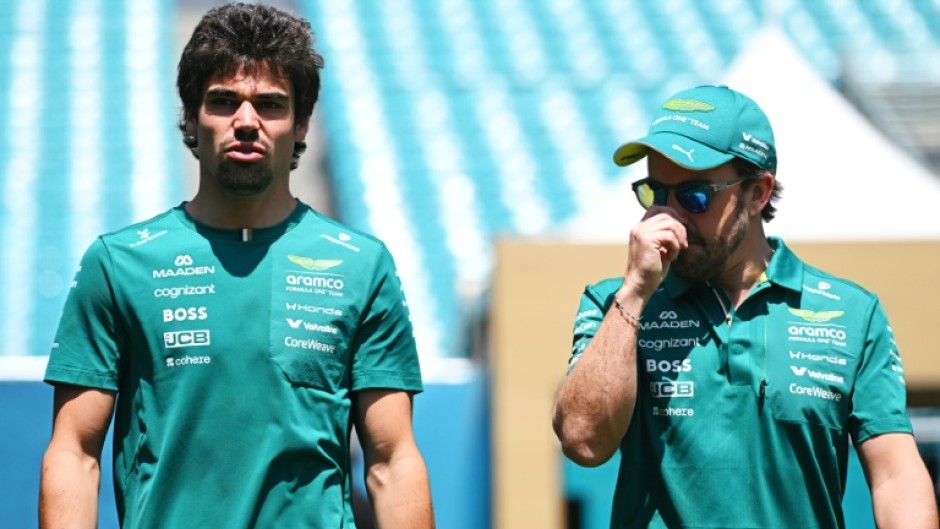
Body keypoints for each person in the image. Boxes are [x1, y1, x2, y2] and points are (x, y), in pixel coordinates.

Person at [39, 3, 434, 528]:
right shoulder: (118, 263)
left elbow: (392, 460)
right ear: (191, 117)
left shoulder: (361, 265)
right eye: (224, 101)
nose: (246, 122)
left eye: (270, 105)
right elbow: (75, 452)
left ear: (300, 126)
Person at [552, 84, 938, 528]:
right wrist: (636, 291)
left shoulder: (853, 313)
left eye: (695, 196)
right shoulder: (614, 305)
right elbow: (582, 442)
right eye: (655, 193)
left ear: (758, 193)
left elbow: (895, 474)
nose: (668, 216)